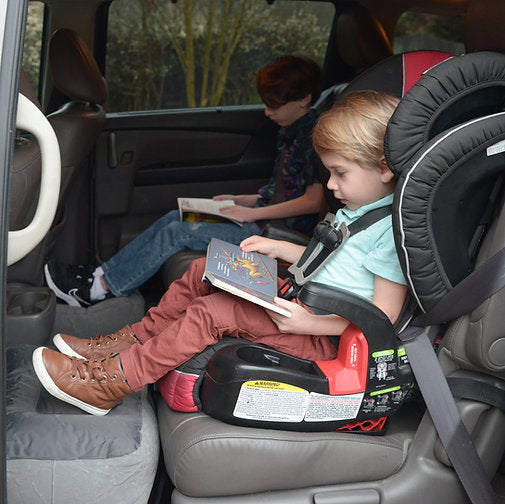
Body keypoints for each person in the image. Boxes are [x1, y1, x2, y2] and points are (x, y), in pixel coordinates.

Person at [32, 90, 409, 416]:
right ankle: (131, 341)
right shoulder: (359, 212)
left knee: (212, 312)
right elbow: (336, 262)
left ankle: (111, 384)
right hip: (301, 302)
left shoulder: (390, 234)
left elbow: (382, 320)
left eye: (340, 173)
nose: (330, 184)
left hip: (323, 339)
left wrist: (309, 325)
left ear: (383, 168)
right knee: (201, 268)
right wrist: (280, 248)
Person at [44, 54, 326, 307]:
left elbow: (313, 201)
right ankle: (99, 274)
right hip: (260, 219)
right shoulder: (289, 132)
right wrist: (242, 200)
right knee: (174, 216)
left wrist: (253, 212)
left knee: (177, 232)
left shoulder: (314, 138)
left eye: (274, 105)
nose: (267, 112)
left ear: (304, 98)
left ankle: (97, 290)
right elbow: (283, 191)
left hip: (271, 235)